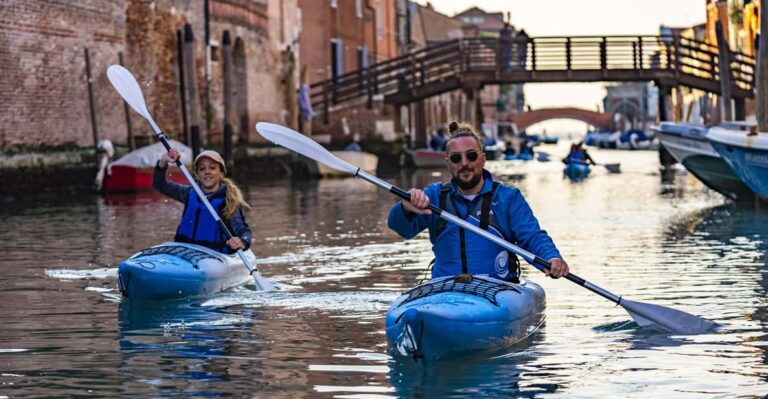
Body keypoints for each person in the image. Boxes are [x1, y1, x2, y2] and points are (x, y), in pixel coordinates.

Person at [387, 121, 569, 281]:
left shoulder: (508, 198)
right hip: (445, 289)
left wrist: (551, 257)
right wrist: (405, 207)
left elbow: (532, 237)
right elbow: (401, 228)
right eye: (456, 158)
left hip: (497, 288)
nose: (464, 163)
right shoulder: (434, 197)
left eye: (471, 156)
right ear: (448, 163)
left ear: (483, 159)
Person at [154, 148, 252, 254]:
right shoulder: (189, 193)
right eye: (202, 169)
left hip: (215, 256)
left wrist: (242, 241)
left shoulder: (229, 201)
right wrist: (162, 162)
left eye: (212, 168)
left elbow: (243, 230)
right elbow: (160, 185)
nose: (207, 172)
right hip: (185, 252)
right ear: (196, 175)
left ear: (221, 173)